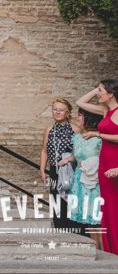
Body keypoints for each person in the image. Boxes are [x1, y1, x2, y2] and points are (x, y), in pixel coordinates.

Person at [77, 79, 118, 253]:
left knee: (115, 206)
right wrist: (97, 89)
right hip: (104, 162)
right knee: (107, 207)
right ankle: (111, 249)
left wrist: (97, 134)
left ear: (111, 93)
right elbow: (80, 102)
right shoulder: (104, 110)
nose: (98, 93)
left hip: (115, 162)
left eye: (101, 91)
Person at [63, 108, 104, 249]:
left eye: (80, 115)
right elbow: (77, 155)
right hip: (80, 181)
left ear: (89, 118)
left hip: (96, 181)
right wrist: (68, 159)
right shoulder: (77, 137)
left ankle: (107, 252)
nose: (77, 118)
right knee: (89, 220)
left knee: (98, 219)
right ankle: (98, 252)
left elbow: (105, 158)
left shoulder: (100, 138)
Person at [39, 98, 81, 231]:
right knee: (56, 203)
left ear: (67, 113)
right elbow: (44, 151)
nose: (57, 112)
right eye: (55, 109)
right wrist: (42, 170)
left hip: (71, 171)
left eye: (61, 110)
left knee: (70, 203)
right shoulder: (49, 129)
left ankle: (73, 234)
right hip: (54, 171)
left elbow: (82, 152)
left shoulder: (76, 129)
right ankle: (60, 233)